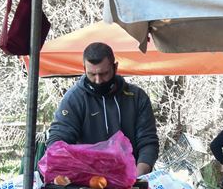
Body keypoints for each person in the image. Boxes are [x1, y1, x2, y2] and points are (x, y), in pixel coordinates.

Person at [47, 42, 159, 175]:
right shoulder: (74, 99)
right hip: (86, 180)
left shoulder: (137, 97)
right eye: (91, 74)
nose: (98, 80)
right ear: (84, 69)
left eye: (104, 73)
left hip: (130, 178)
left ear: (115, 67)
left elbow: (148, 142)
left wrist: (137, 178)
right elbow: (58, 139)